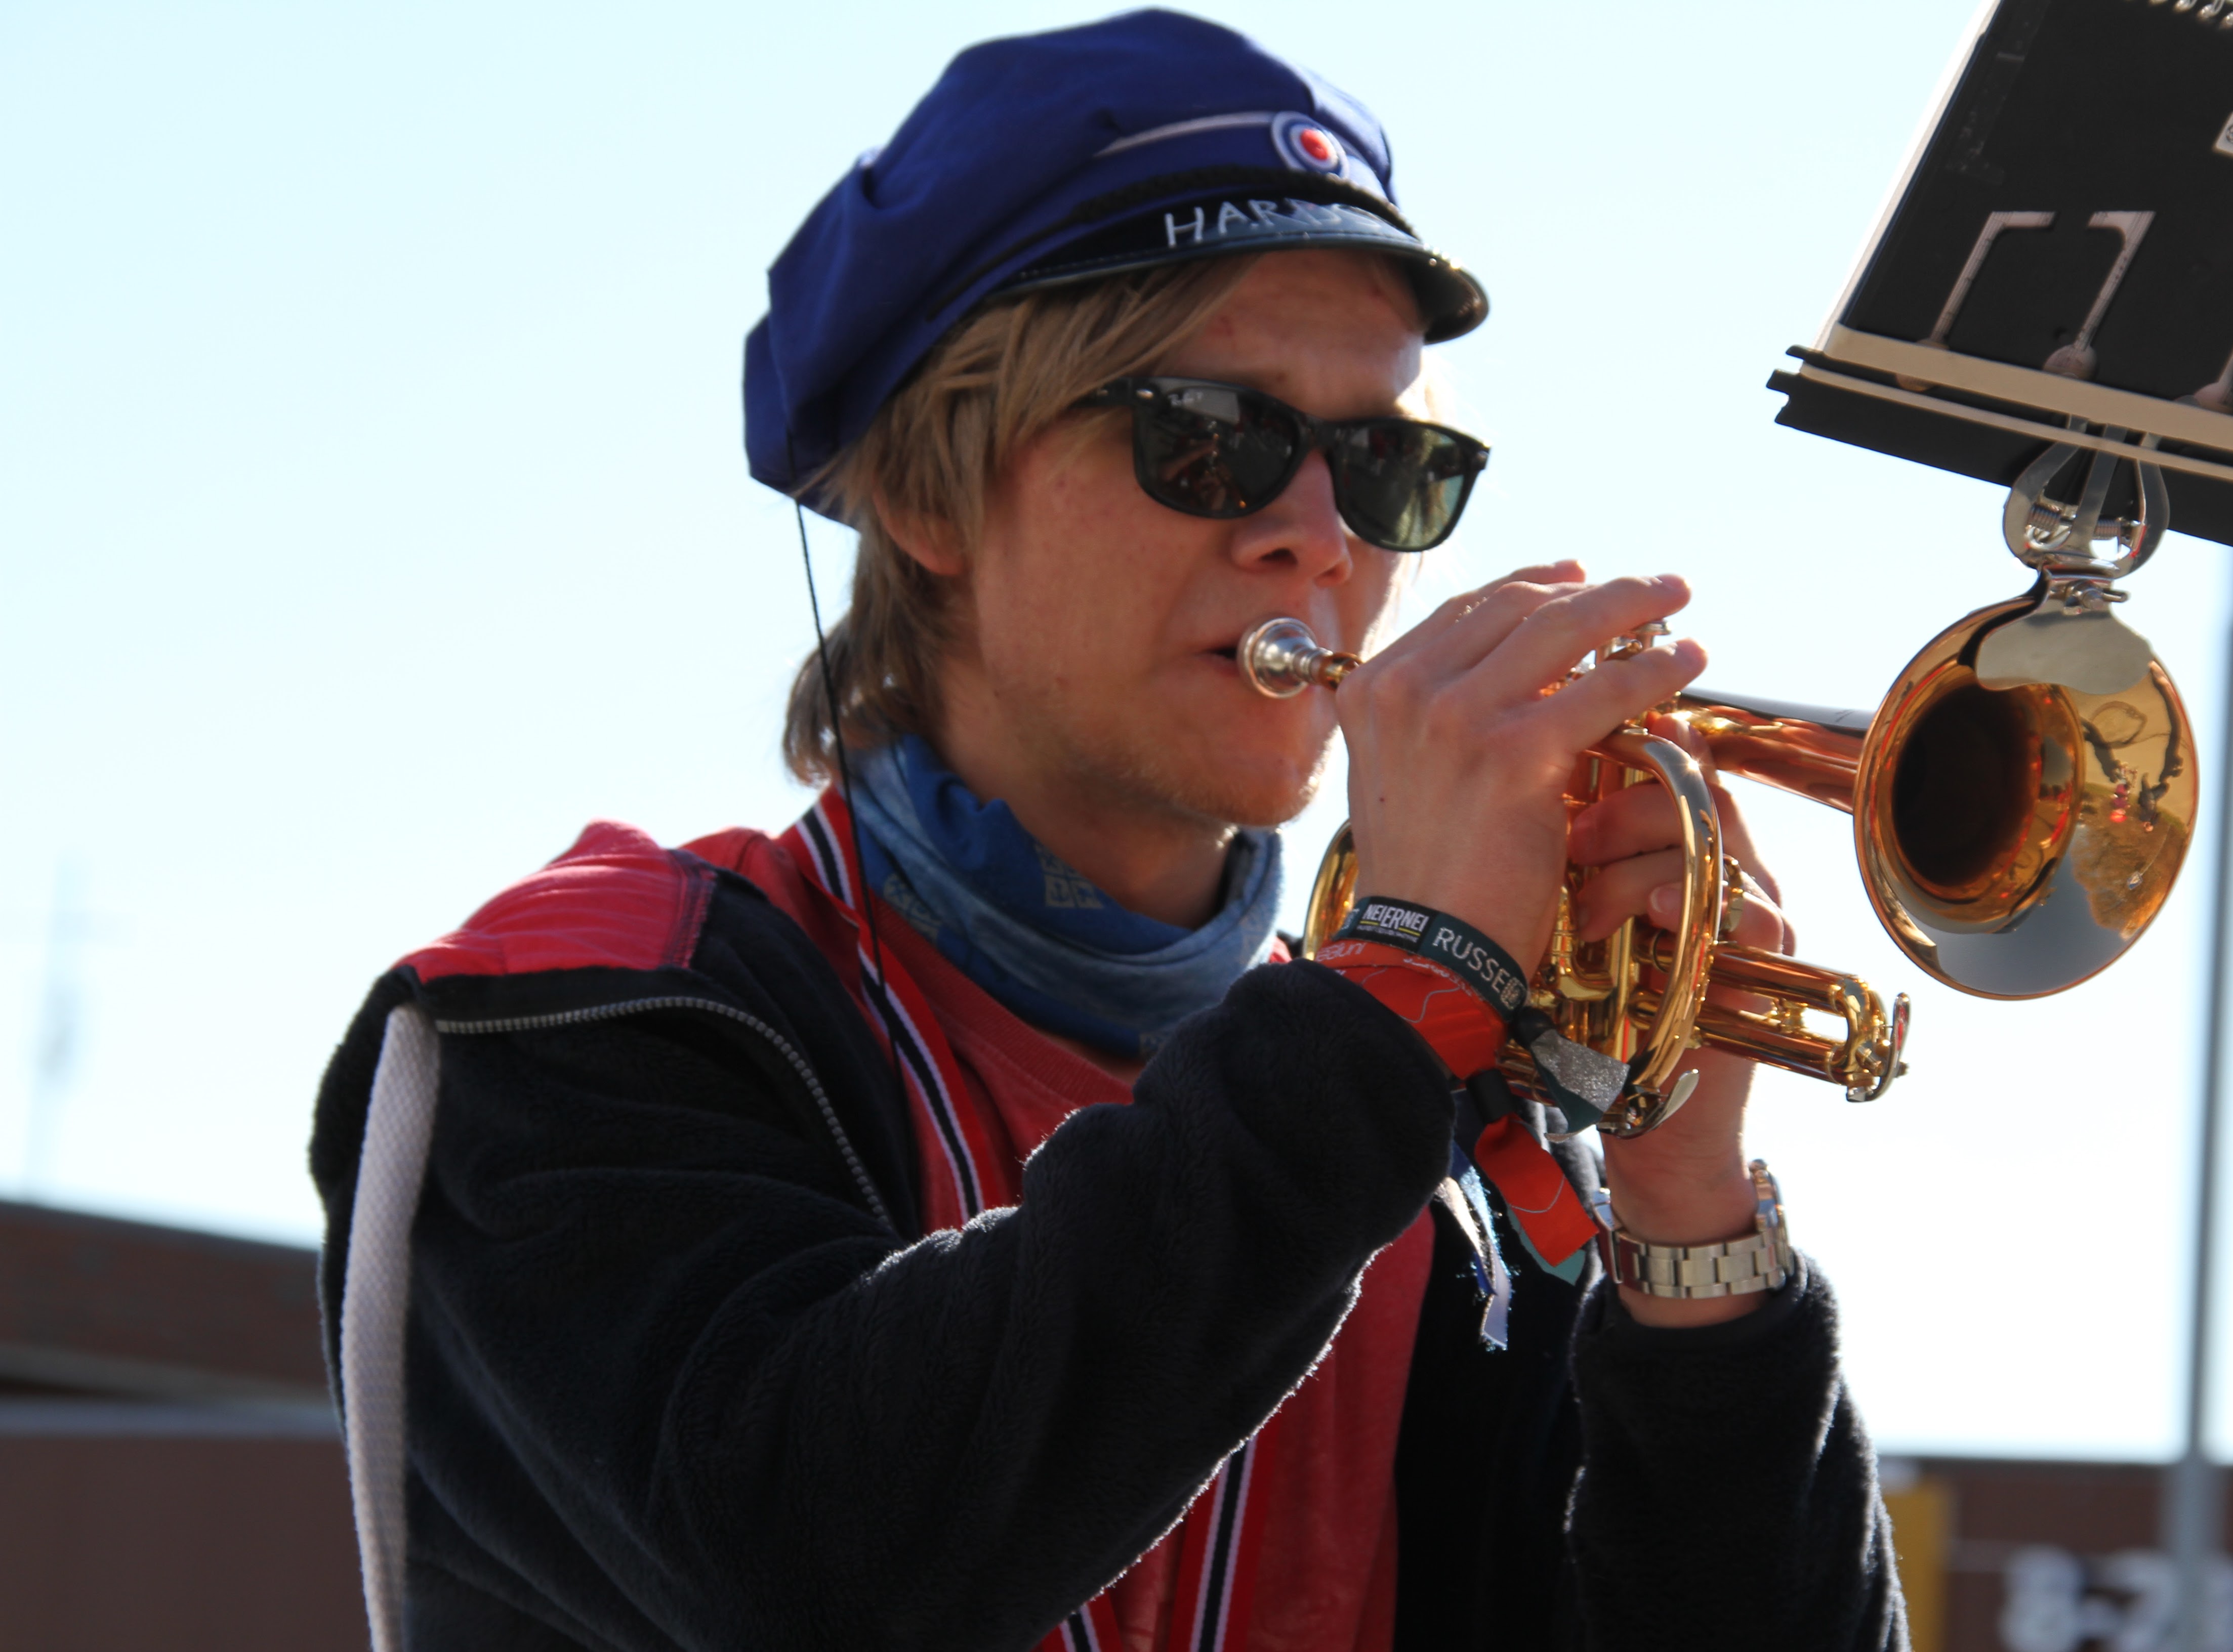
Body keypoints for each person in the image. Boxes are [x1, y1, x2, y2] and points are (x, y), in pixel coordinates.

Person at [310, 13, 1906, 1650]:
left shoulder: (1443, 1109)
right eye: (1208, 436)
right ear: (929, 490)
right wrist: (1402, 990)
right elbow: (812, 1571)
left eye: (1385, 463)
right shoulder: (586, 1005)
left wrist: (1688, 1224)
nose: (1316, 540)